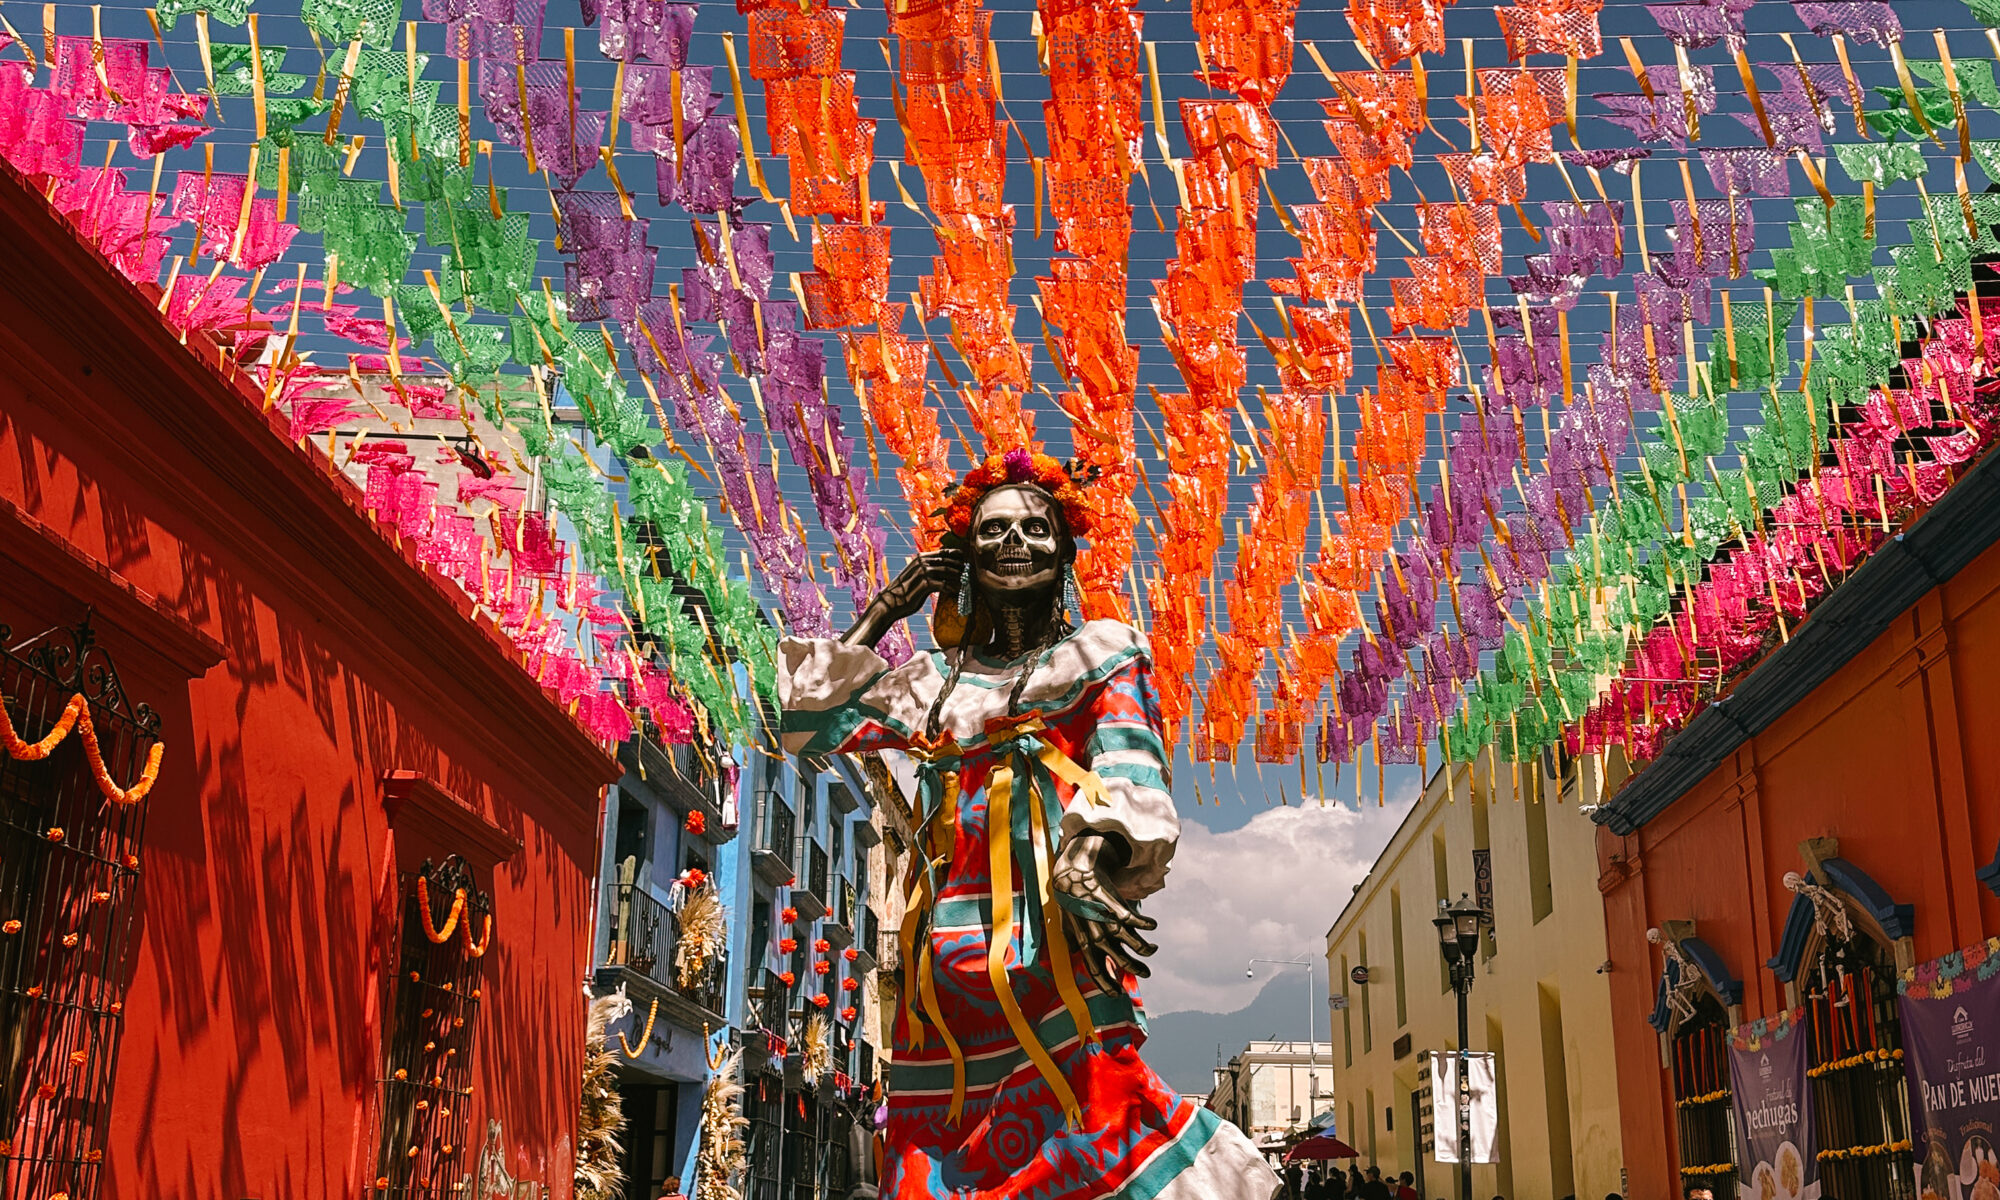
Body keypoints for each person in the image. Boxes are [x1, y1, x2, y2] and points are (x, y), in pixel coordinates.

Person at [779, 450, 1279, 1200]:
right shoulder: (932, 684)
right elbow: (806, 723)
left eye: (1037, 528)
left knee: (1094, 1133)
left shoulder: (1098, 653)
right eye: (996, 529)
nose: (1016, 541)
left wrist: (1091, 856)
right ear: (965, 555)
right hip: (942, 993)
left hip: (1050, 957)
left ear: (1065, 550)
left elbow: (1128, 763)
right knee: (932, 1170)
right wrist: (889, 607)